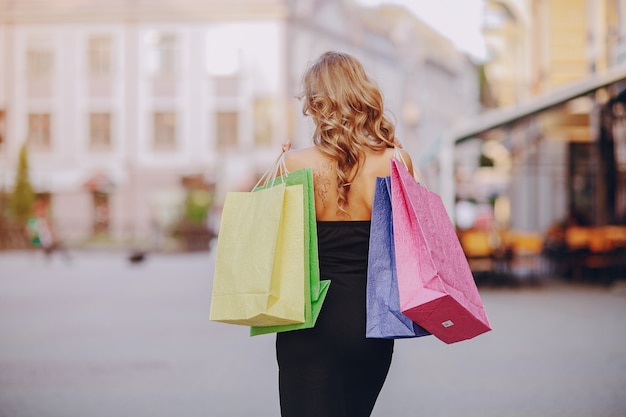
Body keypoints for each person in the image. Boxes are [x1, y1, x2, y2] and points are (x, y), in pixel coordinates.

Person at [277, 51, 415, 417]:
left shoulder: (293, 164)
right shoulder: (396, 162)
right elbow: (408, 244)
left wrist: (277, 168)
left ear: (316, 104)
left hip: (309, 321)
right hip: (371, 322)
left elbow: (277, 248)